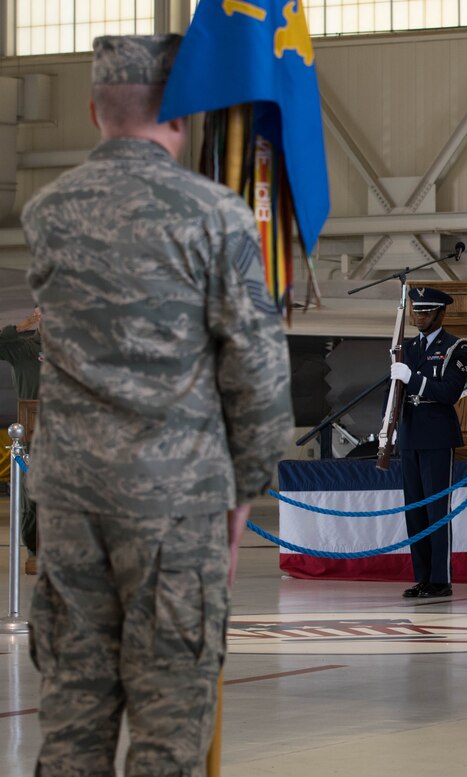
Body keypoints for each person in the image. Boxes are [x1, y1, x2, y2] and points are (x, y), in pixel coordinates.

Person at [20, 35, 293, 773]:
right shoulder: (216, 215)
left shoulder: (47, 213)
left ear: (93, 112)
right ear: (182, 116)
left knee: (72, 721)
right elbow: (259, 369)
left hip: (71, 506)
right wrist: (244, 494)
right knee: (169, 726)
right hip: (177, 506)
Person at [391, 287, 467, 599]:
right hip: (409, 433)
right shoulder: (406, 347)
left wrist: (413, 379)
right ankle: (422, 576)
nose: (419, 316)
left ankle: (440, 579)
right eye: (416, 311)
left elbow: (449, 392)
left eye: (425, 312)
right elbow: (394, 388)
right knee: (415, 511)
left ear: (440, 314)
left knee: (437, 510)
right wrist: (391, 423)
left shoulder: (456, 347)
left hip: (437, 435)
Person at [0, 307, 42, 574]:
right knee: (33, 496)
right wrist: (22, 325)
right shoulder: (23, 348)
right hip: (31, 435)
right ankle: (36, 550)